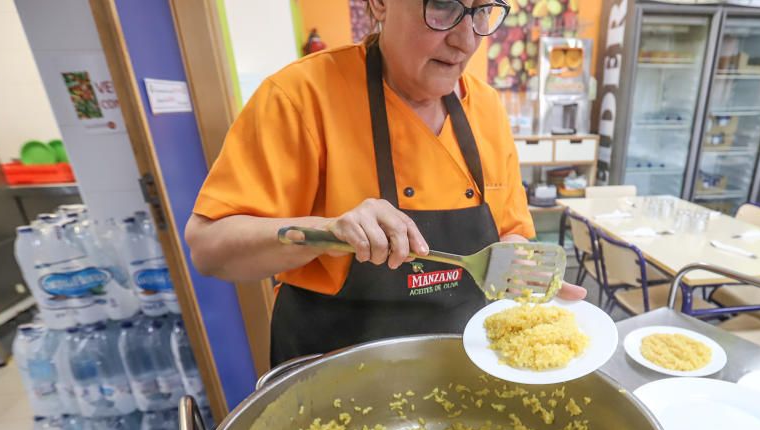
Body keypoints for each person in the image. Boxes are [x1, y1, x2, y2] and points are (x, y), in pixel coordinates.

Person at [186, 0, 585, 366]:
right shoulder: (300, 97)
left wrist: (519, 264)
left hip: (461, 367)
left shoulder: (487, 109)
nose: (466, 41)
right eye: (444, 5)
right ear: (379, 3)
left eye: (482, 11)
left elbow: (512, 232)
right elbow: (209, 247)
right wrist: (328, 230)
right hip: (335, 375)